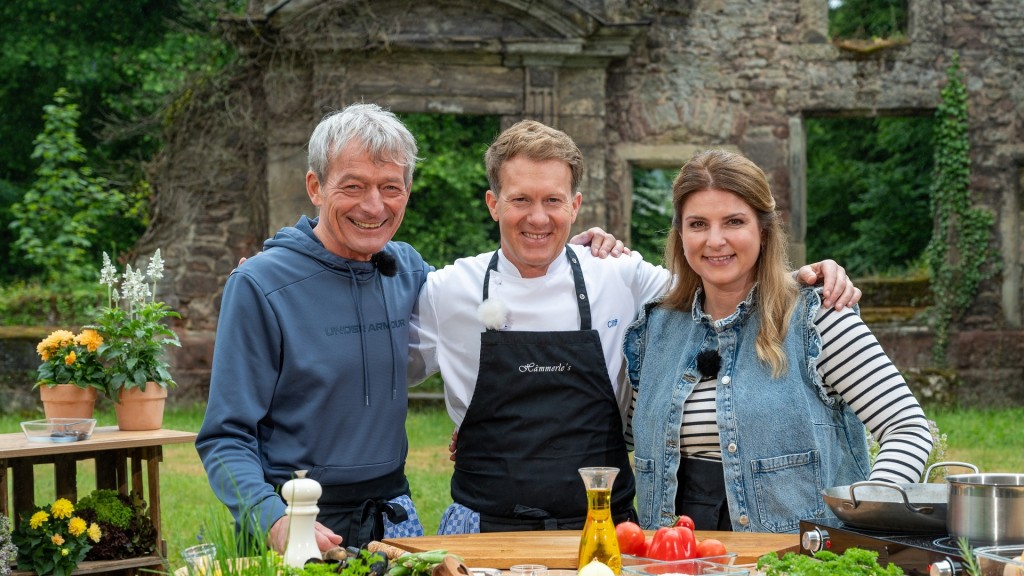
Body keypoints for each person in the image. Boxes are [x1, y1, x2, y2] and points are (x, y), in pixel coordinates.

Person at [196, 104, 624, 553]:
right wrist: (273, 519)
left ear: (408, 191)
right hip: (297, 519)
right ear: (315, 187)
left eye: (390, 187)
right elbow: (225, 436)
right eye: (353, 186)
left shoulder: (408, 272)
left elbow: (496, 304)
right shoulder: (260, 285)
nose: (373, 205)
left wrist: (565, 253)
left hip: (393, 515)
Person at [408, 120, 861, 534]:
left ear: (576, 204)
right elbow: (382, 372)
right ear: (493, 203)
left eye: (553, 200)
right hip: (482, 525)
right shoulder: (445, 290)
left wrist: (800, 280)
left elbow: (720, 282)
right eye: (520, 199)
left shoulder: (620, 276)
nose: (538, 217)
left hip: (607, 527)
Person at [623, 149, 934, 534]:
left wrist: (865, 513)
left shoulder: (818, 317)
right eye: (698, 224)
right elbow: (625, 437)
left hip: (794, 561)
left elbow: (907, 427)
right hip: (675, 559)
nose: (715, 240)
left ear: (764, 230)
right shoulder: (655, 330)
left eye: (734, 222)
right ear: (680, 234)